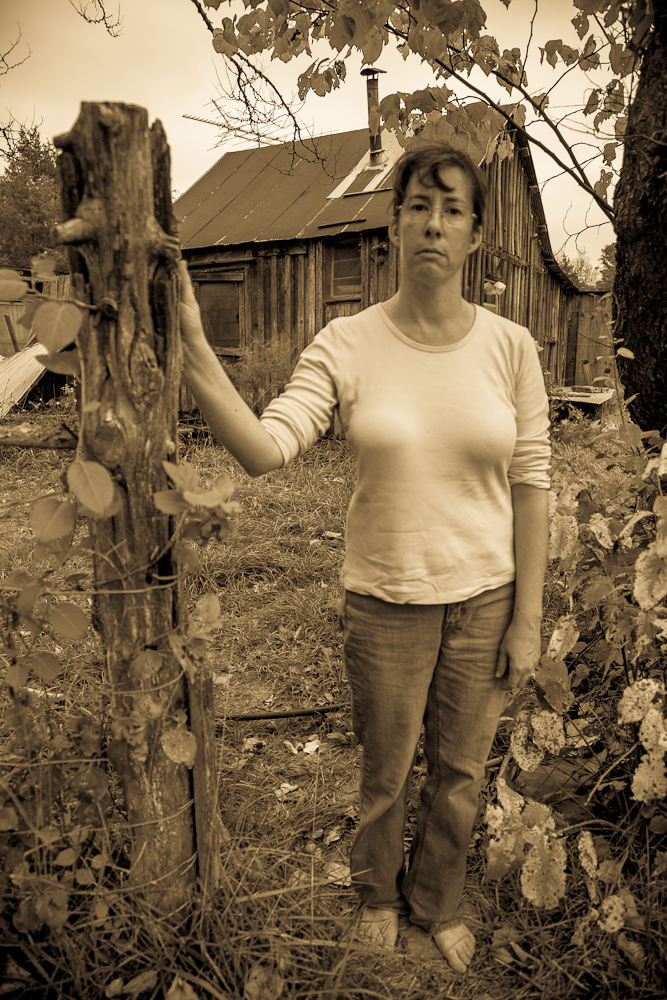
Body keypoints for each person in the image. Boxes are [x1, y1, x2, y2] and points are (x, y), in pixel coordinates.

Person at [178, 142, 550, 974]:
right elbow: (266, 449)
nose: (433, 224)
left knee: (459, 774)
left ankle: (437, 901)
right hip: (385, 602)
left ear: (475, 235)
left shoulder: (511, 347)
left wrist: (526, 617)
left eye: (452, 210)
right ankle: (378, 895)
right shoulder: (346, 342)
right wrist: (195, 347)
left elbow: (532, 483)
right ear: (393, 226)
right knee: (386, 773)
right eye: (418, 206)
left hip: (487, 599)